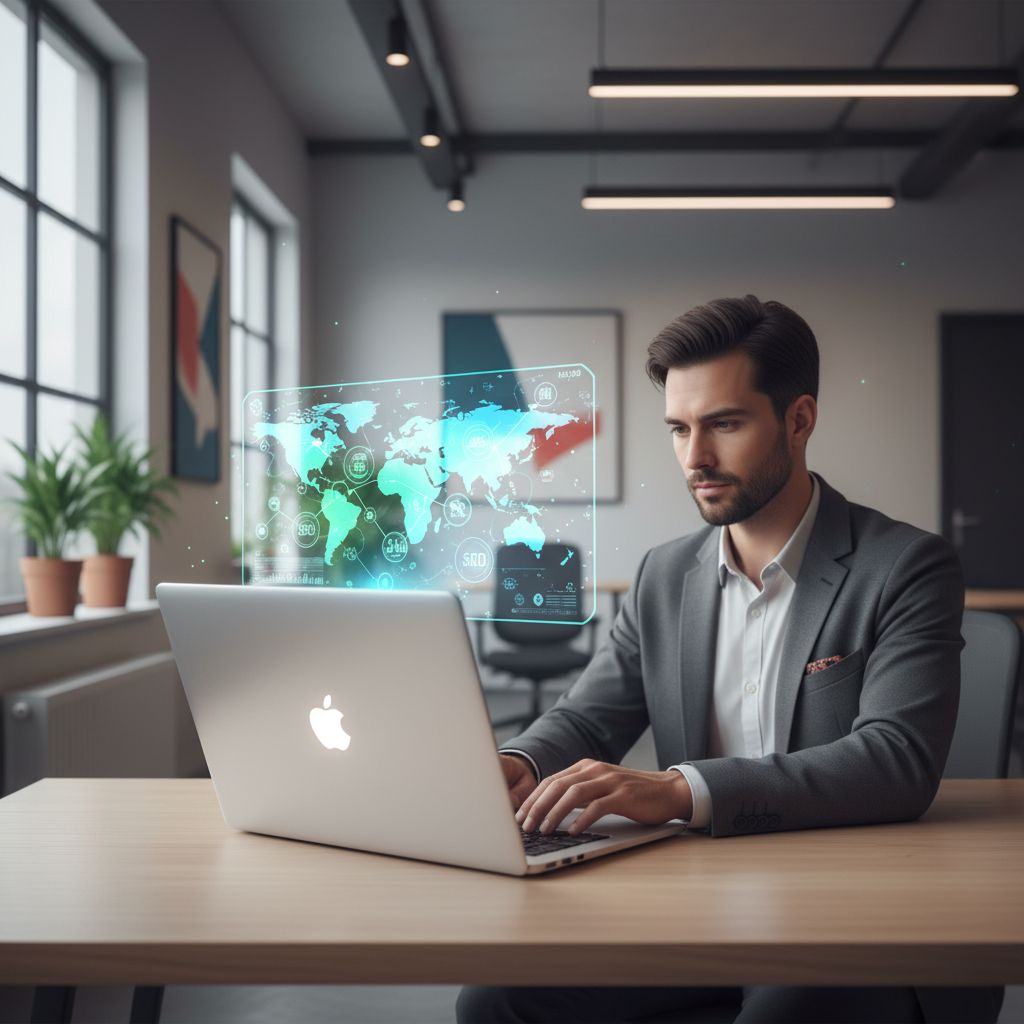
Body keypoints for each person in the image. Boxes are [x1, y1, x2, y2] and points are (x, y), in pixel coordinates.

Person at [457, 296, 1003, 1024]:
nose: (695, 458)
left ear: (799, 419)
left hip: (851, 910)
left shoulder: (906, 566)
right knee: (493, 1001)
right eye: (679, 429)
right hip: (697, 907)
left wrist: (679, 791)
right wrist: (520, 764)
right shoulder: (662, 576)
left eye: (725, 424)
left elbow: (896, 761)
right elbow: (590, 718)